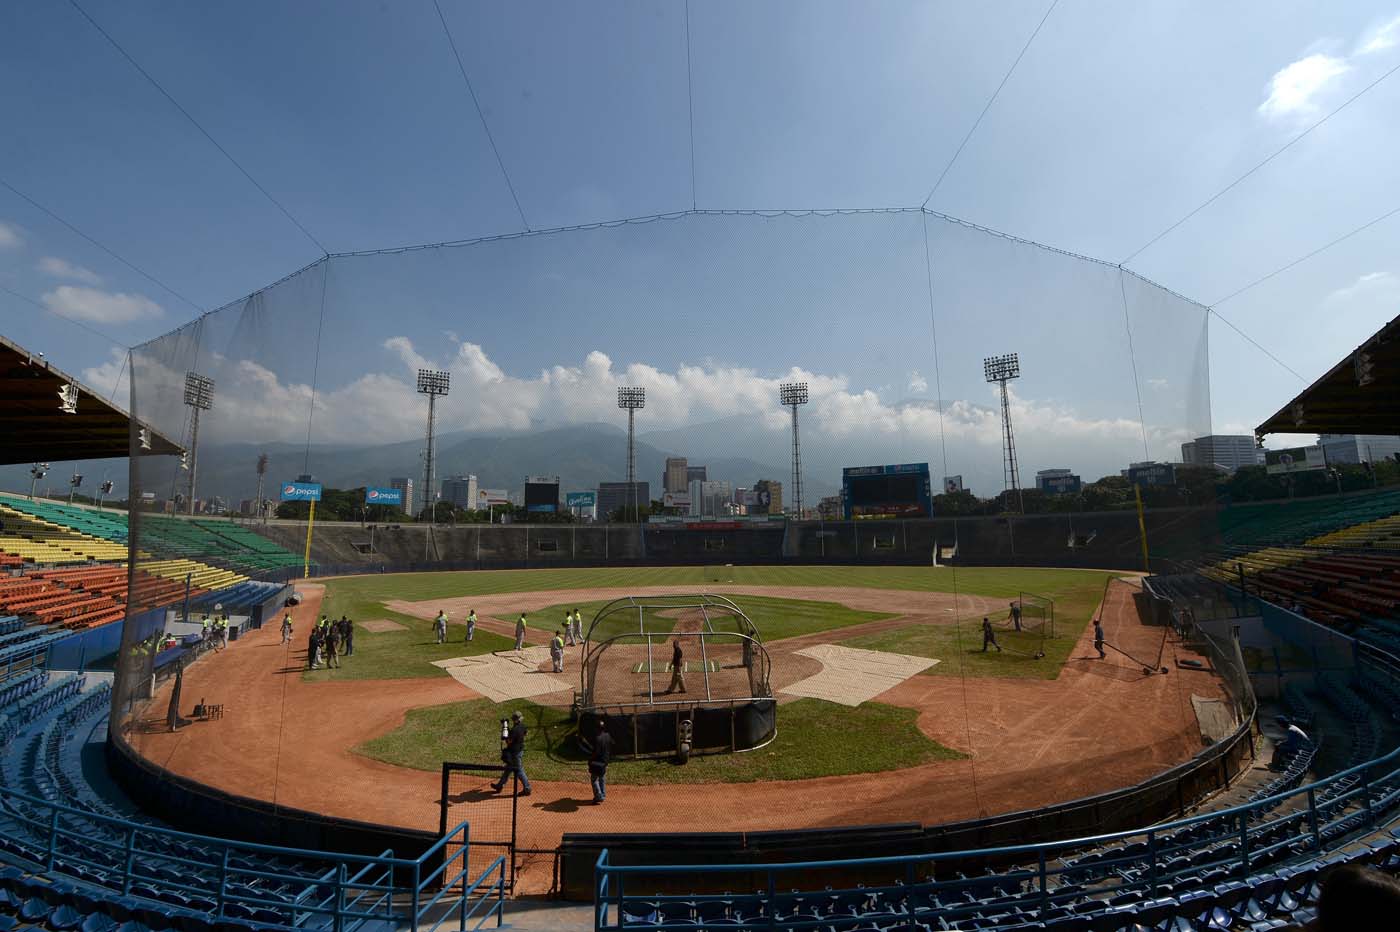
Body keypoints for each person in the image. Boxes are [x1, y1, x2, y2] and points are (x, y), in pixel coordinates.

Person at [491, 710, 531, 795]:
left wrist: (505, 735)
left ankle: (527, 788)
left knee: (519, 770)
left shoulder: (514, 729)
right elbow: (525, 734)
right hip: (519, 750)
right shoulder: (522, 726)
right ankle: (499, 786)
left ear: (514, 720)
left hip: (514, 753)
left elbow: (509, 741)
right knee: (508, 769)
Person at [588, 718, 612, 804]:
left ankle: (599, 796)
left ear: (597, 728)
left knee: (594, 779)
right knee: (602, 777)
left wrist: (590, 760)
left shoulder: (597, 738)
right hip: (605, 761)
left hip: (597, 762)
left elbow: (596, 752)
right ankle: (603, 794)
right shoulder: (608, 735)